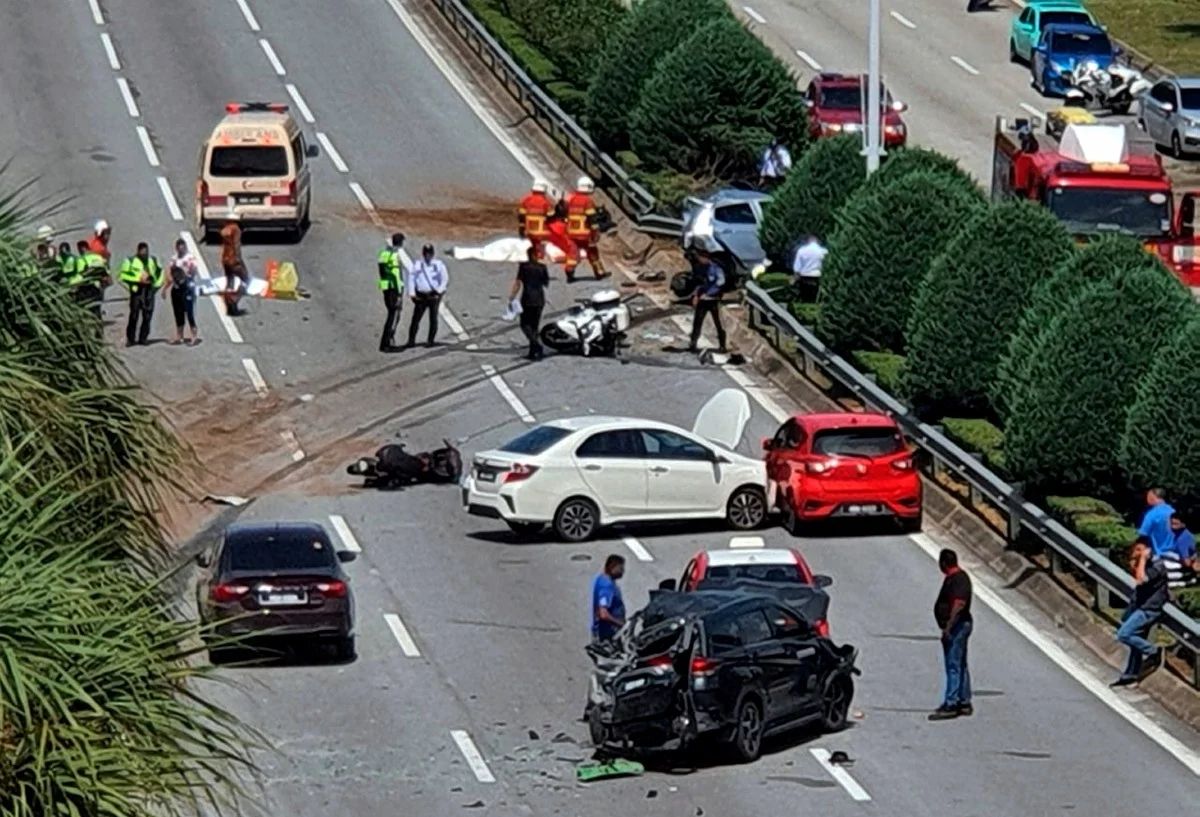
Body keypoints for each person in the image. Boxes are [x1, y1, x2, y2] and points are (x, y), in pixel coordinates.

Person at [1111, 541, 1169, 686]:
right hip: (1138, 606)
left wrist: (1142, 559)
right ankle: (1130, 674)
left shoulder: (1157, 566)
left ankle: (1153, 651)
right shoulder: (1146, 563)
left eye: (1139, 550)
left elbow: (1141, 579)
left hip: (1149, 609)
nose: (1136, 553)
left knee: (1124, 634)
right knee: (1135, 640)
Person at [929, 548, 973, 720]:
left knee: (953, 665)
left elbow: (959, 604)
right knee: (960, 663)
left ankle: (952, 702)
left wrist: (948, 627)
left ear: (944, 563)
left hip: (958, 626)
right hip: (959, 625)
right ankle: (963, 700)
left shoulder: (958, 580)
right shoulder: (956, 578)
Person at [119, 241, 164, 346]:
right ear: (138, 251)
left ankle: (143, 338)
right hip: (137, 290)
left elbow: (160, 273)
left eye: (146, 252)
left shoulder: (152, 260)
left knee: (147, 315)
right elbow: (122, 276)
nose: (145, 254)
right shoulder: (130, 261)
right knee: (134, 315)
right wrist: (137, 280)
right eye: (142, 252)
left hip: (149, 290)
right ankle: (130, 338)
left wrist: (156, 286)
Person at [509, 245, 550, 360]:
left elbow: (518, 282)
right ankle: (533, 353)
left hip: (527, 298)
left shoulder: (524, 266)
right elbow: (546, 283)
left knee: (524, 324)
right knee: (534, 326)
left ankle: (536, 345)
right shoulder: (542, 267)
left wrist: (512, 296)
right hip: (540, 299)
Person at [564, 176, 607, 282]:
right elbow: (592, 219)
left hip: (571, 233)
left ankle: (569, 274)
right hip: (585, 234)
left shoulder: (570, 198)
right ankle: (599, 273)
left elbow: (564, 213)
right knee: (592, 253)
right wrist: (595, 233)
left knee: (572, 254)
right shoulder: (588, 201)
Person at [406, 243, 448, 348]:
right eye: (426, 253)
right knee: (416, 319)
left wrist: (438, 291)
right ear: (423, 254)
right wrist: (412, 293)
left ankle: (430, 340)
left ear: (433, 254)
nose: (428, 256)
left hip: (433, 295)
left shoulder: (438, 265)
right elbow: (412, 278)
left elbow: (444, 279)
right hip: (421, 296)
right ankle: (411, 340)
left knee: (433, 318)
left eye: (429, 253)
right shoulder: (418, 265)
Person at [687, 248, 727, 354]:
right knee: (697, 322)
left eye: (701, 258)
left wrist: (709, 293)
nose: (700, 260)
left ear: (706, 258)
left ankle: (722, 345)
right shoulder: (701, 268)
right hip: (703, 300)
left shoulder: (716, 269)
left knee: (719, 323)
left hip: (713, 300)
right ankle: (693, 343)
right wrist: (696, 295)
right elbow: (700, 283)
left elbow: (720, 283)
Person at [163, 238, 200, 345]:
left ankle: (194, 336)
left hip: (187, 288)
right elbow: (170, 274)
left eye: (182, 248)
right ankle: (179, 336)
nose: (181, 250)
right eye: (179, 248)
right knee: (178, 313)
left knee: (189, 312)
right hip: (176, 288)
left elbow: (193, 271)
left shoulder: (190, 258)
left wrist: (186, 272)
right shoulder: (174, 259)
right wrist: (165, 288)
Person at [378, 232, 406, 352]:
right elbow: (396, 276)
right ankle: (387, 342)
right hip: (394, 289)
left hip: (385, 288)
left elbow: (381, 269)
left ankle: (386, 341)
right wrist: (399, 293)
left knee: (390, 315)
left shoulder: (384, 254)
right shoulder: (395, 256)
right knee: (393, 316)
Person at [591, 554, 626, 644]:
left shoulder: (602, 579)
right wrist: (621, 624)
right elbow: (603, 614)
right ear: (612, 567)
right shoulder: (606, 586)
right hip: (607, 634)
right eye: (620, 569)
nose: (623, 572)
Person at [1134, 488, 1176, 558]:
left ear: (1152, 497)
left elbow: (1143, 534)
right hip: (1175, 554)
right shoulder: (1173, 511)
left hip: (1158, 555)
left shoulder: (1152, 514)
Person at [220, 213, 248, 316]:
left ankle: (229, 306)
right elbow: (236, 245)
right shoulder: (236, 230)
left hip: (225, 259)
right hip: (234, 259)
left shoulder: (225, 230)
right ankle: (233, 300)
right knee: (245, 280)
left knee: (230, 282)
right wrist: (238, 259)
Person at [518, 180, 554, 261]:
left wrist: (521, 227)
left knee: (531, 245)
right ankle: (538, 258)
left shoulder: (525, 199)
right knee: (539, 248)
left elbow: (521, 216)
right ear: (544, 190)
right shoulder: (546, 202)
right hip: (542, 232)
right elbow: (551, 217)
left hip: (529, 230)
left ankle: (531, 258)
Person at [790, 234, 827, 302]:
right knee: (814, 296)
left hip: (804, 276)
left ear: (808, 241)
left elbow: (797, 267)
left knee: (804, 296)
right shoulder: (823, 251)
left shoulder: (802, 250)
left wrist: (794, 278)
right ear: (818, 241)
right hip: (817, 276)